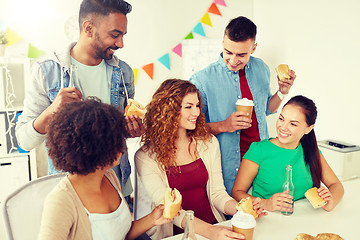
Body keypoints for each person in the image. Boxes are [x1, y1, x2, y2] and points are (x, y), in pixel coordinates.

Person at [15, 0, 144, 200]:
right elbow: (24, 140)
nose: (121, 44)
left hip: (116, 188)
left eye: (123, 35)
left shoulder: (124, 72)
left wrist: (130, 130)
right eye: (115, 34)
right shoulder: (47, 72)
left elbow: (114, 135)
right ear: (89, 28)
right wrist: (52, 111)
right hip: (71, 194)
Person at [135, 79, 264, 240]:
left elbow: (218, 194)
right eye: (188, 107)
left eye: (197, 106)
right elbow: (168, 209)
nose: (196, 112)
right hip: (176, 234)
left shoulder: (208, 143)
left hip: (214, 224)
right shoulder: (145, 157)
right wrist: (211, 232)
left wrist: (241, 210)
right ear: (168, 110)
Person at [190, 16, 296, 195]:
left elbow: (266, 110)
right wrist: (224, 125)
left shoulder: (262, 68)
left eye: (241, 55)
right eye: (228, 52)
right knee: (232, 217)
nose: (232, 60)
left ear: (253, 48)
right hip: (226, 166)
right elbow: (190, 129)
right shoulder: (202, 80)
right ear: (222, 42)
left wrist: (282, 91)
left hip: (262, 160)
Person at [38, 98, 172, 240]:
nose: (122, 148)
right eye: (114, 141)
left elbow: (121, 234)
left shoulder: (109, 177)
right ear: (93, 148)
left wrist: (152, 219)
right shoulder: (61, 201)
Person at [231, 95, 344, 212]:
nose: (283, 127)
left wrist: (331, 201)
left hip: (305, 219)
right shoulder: (259, 150)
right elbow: (236, 192)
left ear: (308, 129)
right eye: (281, 119)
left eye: (293, 124)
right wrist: (265, 204)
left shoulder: (311, 151)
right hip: (268, 219)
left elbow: (336, 185)